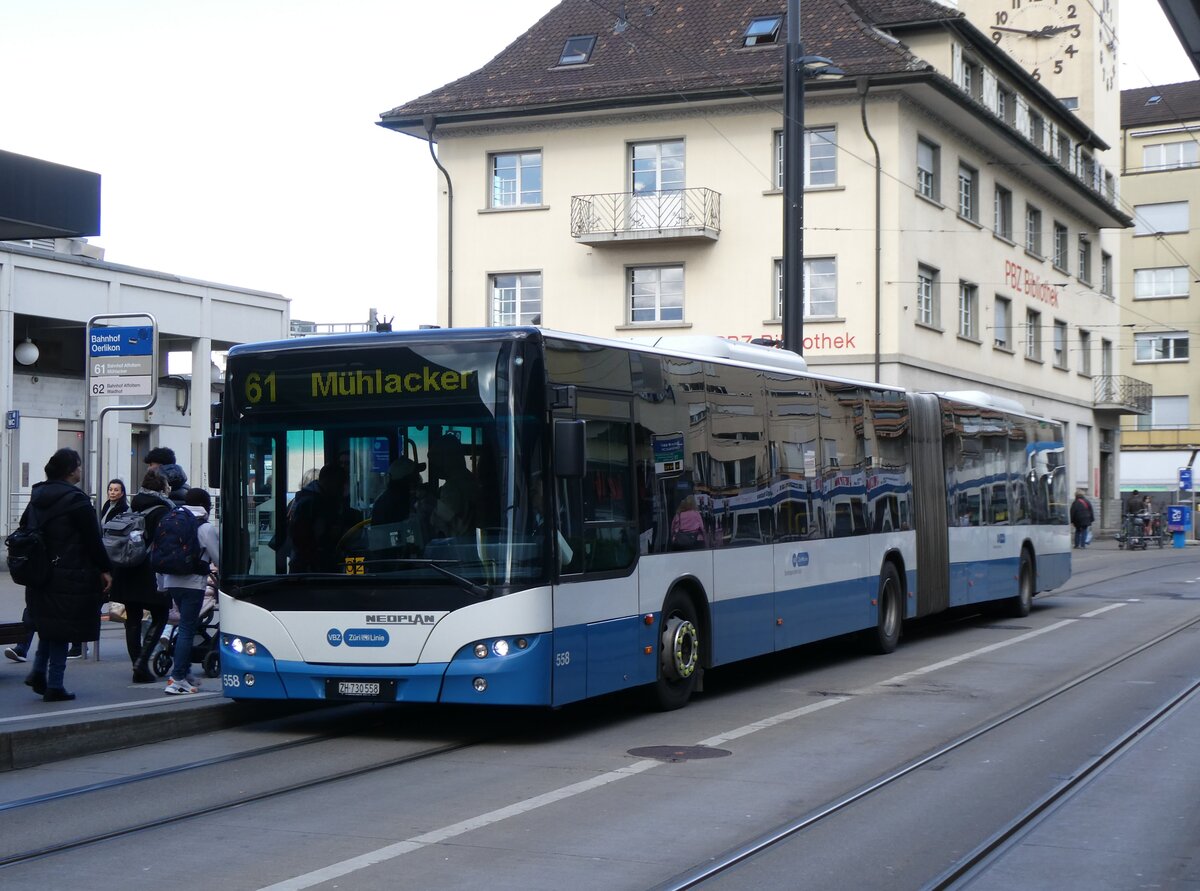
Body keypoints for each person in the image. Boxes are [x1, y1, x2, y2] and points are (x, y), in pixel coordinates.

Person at [18, 448, 113, 702]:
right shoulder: (77, 500)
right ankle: (55, 684)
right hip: (70, 572)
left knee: (49, 625)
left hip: (39, 571)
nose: (81, 470)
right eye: (79, 466)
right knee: (61, 628)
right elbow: (94, 540)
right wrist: (106, 569)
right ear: (71, 471)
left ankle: (38, 672)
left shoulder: (37, 496)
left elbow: (24, 527)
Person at [113, 469, 175, 683]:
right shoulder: (163, 510)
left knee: (133, 619)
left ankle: (136, 665)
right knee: (161, 615)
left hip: (128, 568)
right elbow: (166, 541)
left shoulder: (133, 505)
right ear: (161, 487)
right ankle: (142, 663)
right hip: (150, 571)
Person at [162, 487, 219, 695]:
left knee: (182, 628)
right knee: (188, 628)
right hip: (193, 582)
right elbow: (216, 555)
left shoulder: (173, 518)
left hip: (171, 580)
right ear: (206, 505)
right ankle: (177, 679)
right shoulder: (204, 527)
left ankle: (184, 672)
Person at [288, 463, 354, 572]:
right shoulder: (312, 503)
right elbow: (303, 540)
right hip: (311, 569)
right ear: (329, 481)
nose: (342, 488)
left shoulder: (310, 500)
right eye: (340, 483)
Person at [428, 435, 481, 539]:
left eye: (436, 461)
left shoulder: (451, 488)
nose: (435, 467)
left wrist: (430, 505)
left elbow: (443, 524)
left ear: (445, 459)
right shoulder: (471, 479)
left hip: (458, 547)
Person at [372, 456, 425, 526]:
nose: (419, 478)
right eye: (415, 475)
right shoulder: (399, 502)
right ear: (406, 479)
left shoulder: (386, 498)